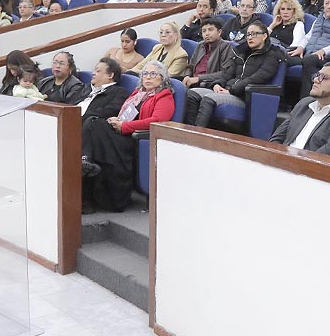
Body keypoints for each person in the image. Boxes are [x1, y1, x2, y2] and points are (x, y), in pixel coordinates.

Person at [81, 60, 175, 212]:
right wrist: (118, 120)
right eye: (145, 74)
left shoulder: (164, 96)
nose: (148, 77)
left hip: (137, 139)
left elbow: (157, 121)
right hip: (123, 131)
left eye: (153, 74)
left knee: (94, 124)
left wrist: (124, 126)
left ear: (162, 78)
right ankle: (86, 166)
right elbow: (126, 114)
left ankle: (86, 161)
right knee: (93, 122)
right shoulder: (138, 94)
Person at [183, 20, 284, 129]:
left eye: (254, 34)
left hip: (243, 96)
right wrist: (217, 84)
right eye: (248, 34)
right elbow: (227, 74)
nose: (250, 37)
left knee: (208, 99)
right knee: (192, 94)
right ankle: (189, 130)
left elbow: (255, 79)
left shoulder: (272, 55)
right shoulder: (240, 53)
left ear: (264, 36)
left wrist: (231, 90)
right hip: (226, 90)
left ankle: (198, 134)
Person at [182, 17, 238, 89]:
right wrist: (187, 76)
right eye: (204, 31)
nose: (207, 33)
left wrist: (199, 78)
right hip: (193, 82)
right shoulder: (200, 45)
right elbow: (190, 66)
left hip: (210, 84)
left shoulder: (226, 47)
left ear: (219, 32)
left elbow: (224, 74)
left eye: (210, 30)